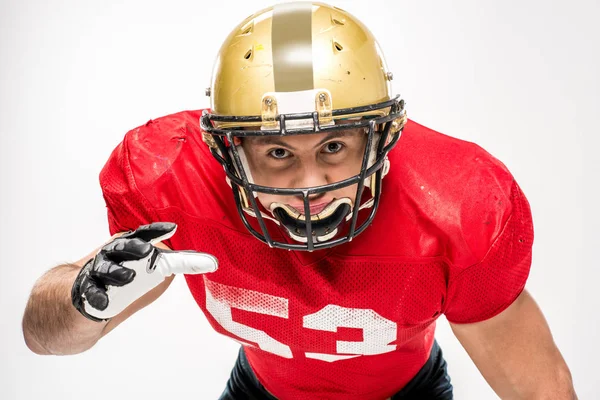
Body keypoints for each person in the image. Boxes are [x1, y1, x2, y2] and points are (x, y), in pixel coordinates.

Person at [22, 2, 576, 399]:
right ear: (228, 151)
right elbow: (43, 340)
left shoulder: (455, 206)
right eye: (278, 152)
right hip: (260, 389)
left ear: (381, 137)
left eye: (333, 145)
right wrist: (82, 298)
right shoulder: (171, 178)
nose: (309, 184)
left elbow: (536, 386)